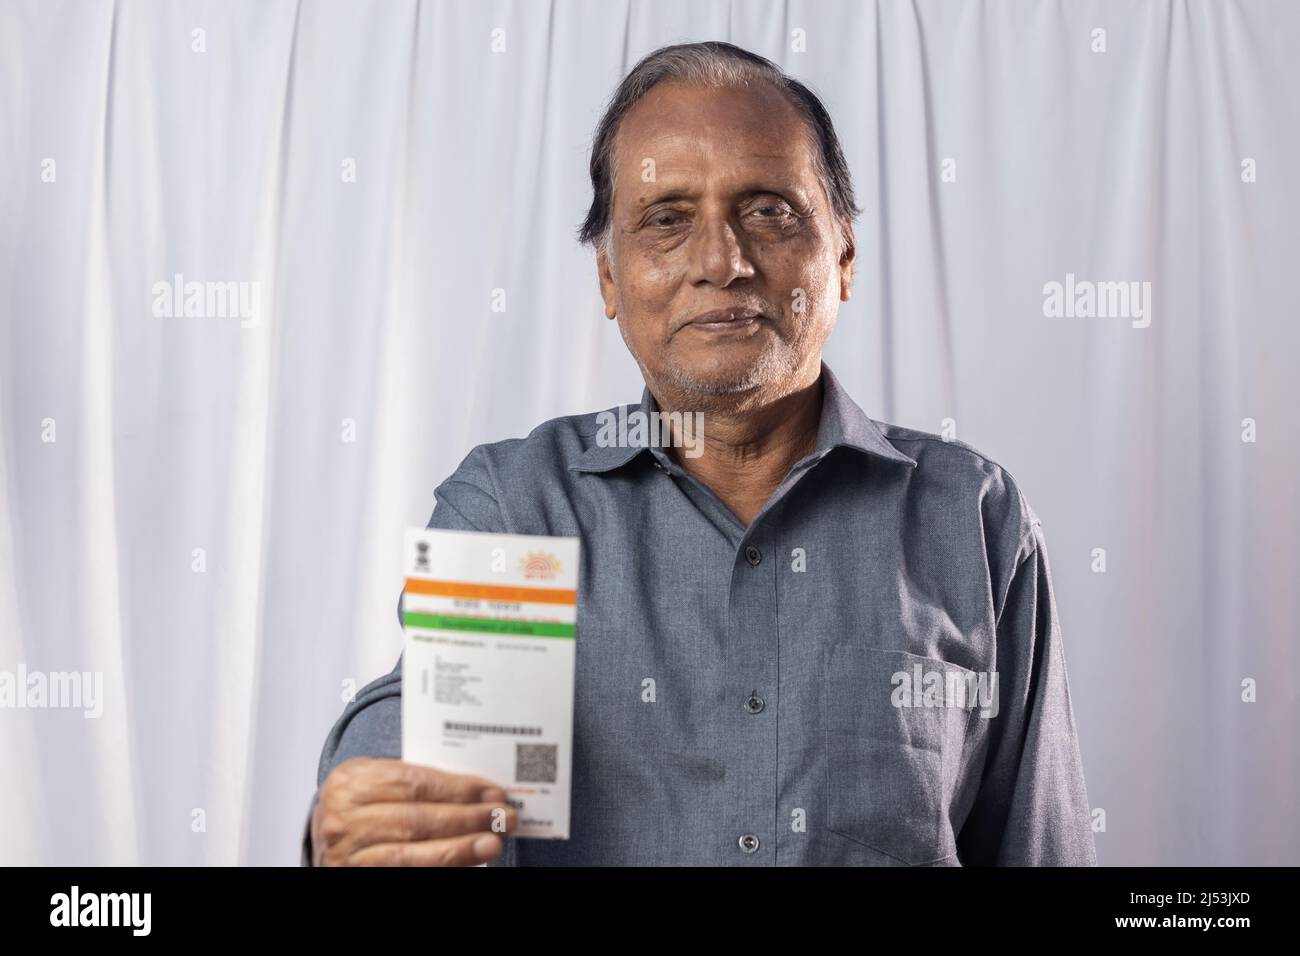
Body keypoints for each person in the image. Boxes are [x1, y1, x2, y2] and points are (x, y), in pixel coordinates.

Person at [303, 40, 1096, 867]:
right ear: (610, 280)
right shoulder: (516, 511)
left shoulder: (973, 520)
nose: (722, 262)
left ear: (844, 259)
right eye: (668, 219)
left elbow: (1039, 849)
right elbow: (433, 735)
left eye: (768, 210)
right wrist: (376, 797)